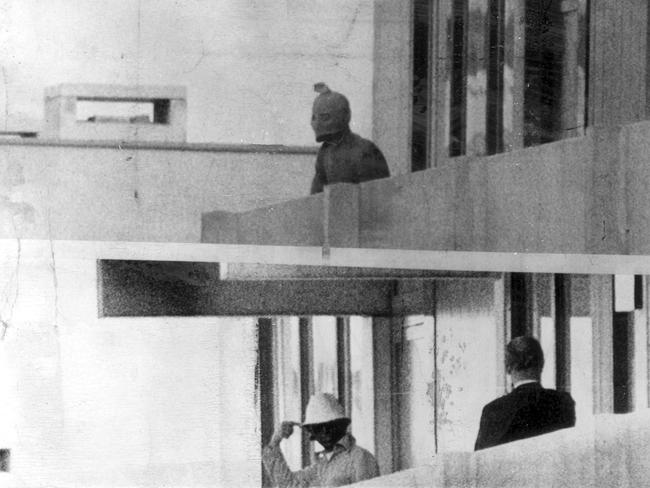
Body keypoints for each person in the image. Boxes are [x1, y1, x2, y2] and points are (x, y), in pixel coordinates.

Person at [474, 336, 576, 451]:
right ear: (541, 364)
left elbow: (480, 463)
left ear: (507, 368)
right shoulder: (563, 402)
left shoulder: (493, 410)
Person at [262, 392, 379, 487]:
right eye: (318, 428)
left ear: (341, 425)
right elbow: (289, 484)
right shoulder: (322, 466)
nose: (325, 432)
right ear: (312, 433)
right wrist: (275, 442)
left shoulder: (360, 458)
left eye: (329, 425)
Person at [309, 83, 390, 194]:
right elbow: (316, 195)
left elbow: (376, 194)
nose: (317, 123)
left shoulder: (365, 149)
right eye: (315, 118)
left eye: (325, 117)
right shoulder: (325, 152)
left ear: (345, 115)